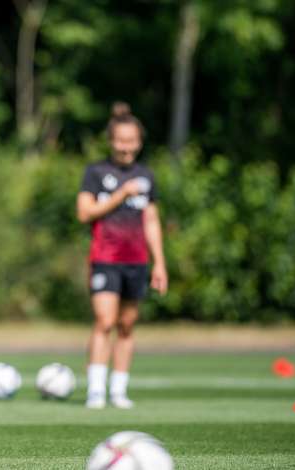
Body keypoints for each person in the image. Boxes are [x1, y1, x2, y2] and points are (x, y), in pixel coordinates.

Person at [76, 102, 168, 410]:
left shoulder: (147, 176)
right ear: (111, 141)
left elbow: (152, 221)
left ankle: (118, 390)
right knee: (105, 320)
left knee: (127, 325)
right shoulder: (96, 172)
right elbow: (84, 212)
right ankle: (96, 390)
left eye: (132, 141)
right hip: (105, 257)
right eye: (121, 140)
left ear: (139, 142)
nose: (126, 147)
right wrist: (120, 195)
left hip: (137, 261)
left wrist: (160, 264)